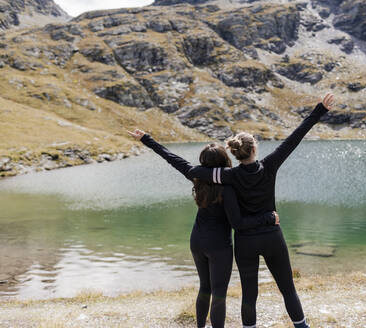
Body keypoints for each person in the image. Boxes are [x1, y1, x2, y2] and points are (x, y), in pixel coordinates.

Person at [182, 92, 335, 328]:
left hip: (245, 243)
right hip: (272, 236)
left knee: (249, 296)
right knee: (288, 290)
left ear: (235, 152)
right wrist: (320, 110)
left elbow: (195, 172)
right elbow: (295, 138)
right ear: (254, 147)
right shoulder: (270, 165)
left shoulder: (228, 177)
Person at [126, 131, 279, 328]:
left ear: (204, 162)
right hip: (219, 246)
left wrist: (146, 139)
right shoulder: (228, 187)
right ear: (225, 160)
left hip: (197, 241)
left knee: (204, 288)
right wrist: (267, 218)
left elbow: (171, 158)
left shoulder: (197, 179)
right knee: (219, 293)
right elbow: (237, 223)